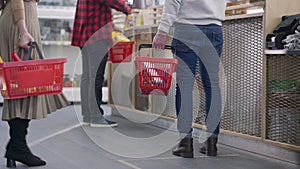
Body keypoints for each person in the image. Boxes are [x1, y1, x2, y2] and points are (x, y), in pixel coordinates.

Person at [152, 0, 230, 158]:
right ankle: (211, 143)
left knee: (185, 87)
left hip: (187, 29)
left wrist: (162, 31)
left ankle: (185, 144)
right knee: (212, 86)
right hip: (214, 30)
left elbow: (172, 2)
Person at [0, 0, 69, 167]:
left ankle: (17, 143)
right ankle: (18, 145)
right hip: (21, 20)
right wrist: (23, 29)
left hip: (20, 16)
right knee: (24, 85)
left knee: (22, 84)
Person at [71, 0, 131, 127]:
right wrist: (128, 10)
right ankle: (96, 117)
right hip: (97, 37)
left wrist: (112, 26)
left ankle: (88, 115)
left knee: (88, 77)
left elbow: (94, 13)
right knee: (95, 77)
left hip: (86, 36)